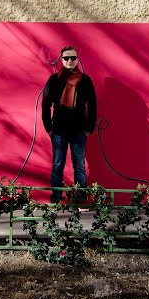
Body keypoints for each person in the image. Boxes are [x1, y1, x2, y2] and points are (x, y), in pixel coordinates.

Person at [41, 45, 97, 203]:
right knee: (57, 165)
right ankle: (56, 199)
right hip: (59, 130)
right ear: (61, 60)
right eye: (66, 58)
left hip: (79, 130)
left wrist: (89, 128)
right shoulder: (54, 80)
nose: (70, 60)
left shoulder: (85, 81)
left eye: (73, 58)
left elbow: (92, 104)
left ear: (77, 59)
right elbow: (46, 104)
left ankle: (80, 200)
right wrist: (49, 127)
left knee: (79, 166)